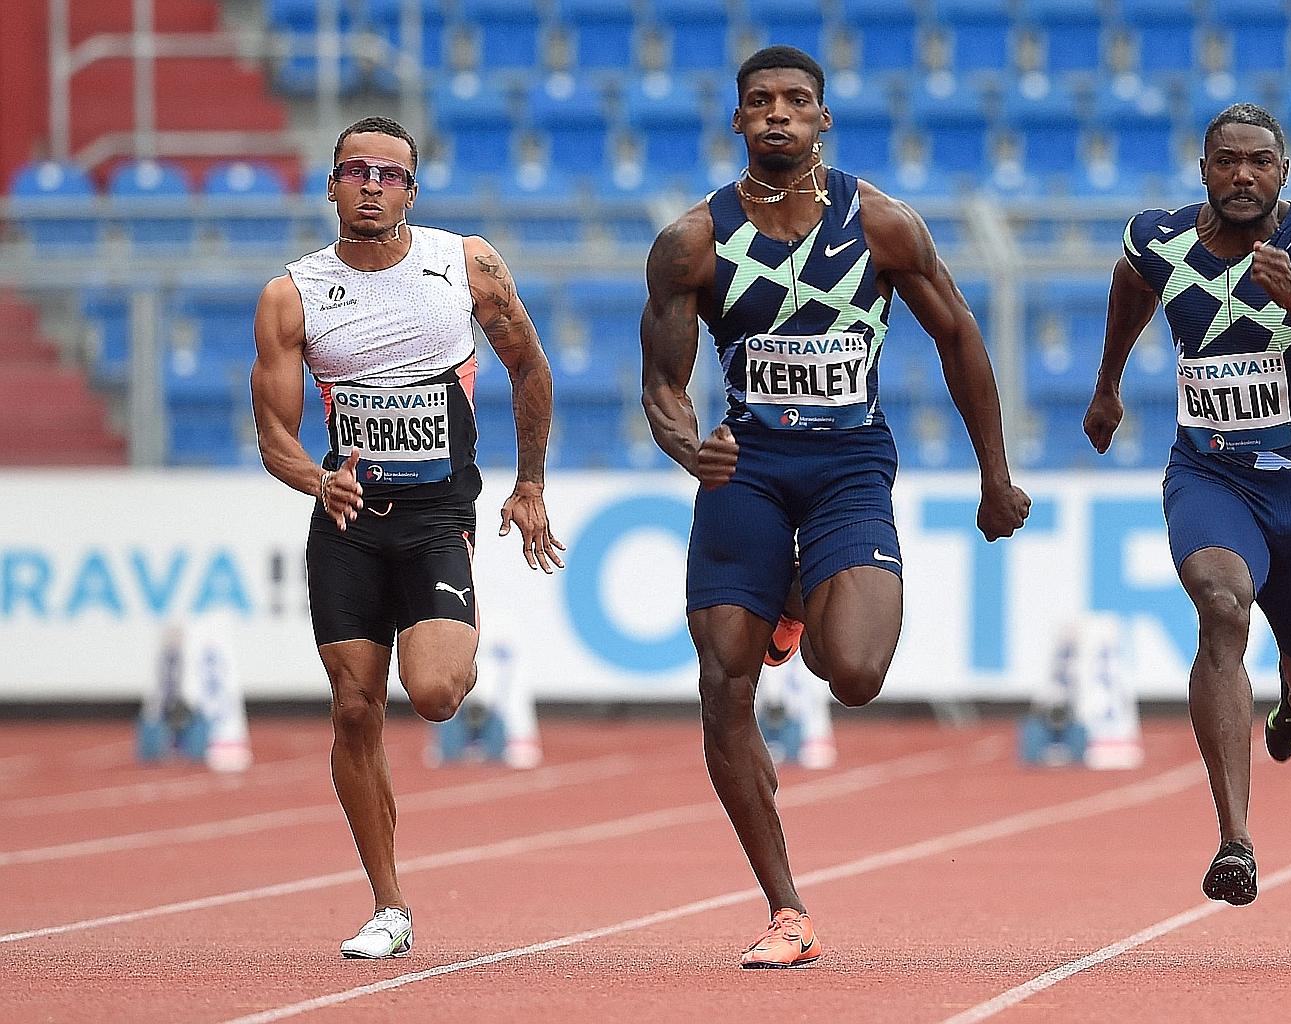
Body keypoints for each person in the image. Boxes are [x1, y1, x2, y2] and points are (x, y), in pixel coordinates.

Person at [640, 47, 1031, 967]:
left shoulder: (883, 225)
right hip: (748, 469)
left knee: (852, 674)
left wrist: (994, 474)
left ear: (824, 120)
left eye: (797, 102)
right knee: (722, 680)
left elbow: (961, 339)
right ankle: (786, 907)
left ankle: (795, 602)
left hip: (850, 462)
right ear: (737, 121)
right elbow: (662, 386)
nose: (779, 115)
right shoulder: (691, 243)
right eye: (761, 103)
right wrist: (689, 445)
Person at [250, 116, 563, 958]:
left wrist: (529, 484)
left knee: (431, 695)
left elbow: (530, 366)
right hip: (347, 522)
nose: (372, 186)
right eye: (356, 171)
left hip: (436, 521)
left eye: (390, 174)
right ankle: (390, 904)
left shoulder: (464, 265)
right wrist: (319, 479)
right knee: (354, 708)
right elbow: (275, 435)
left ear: (412, 192)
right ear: (331, 186)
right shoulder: (292, 294)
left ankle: (450, 635)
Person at [1083, 104, 1291, 906]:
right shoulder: (1158, 237)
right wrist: (1108, 385)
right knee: (1221, 604)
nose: (1241, 175)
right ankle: (1236, 840)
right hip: (1208, 475)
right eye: (1226, 161)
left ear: (1284, 173)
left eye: (1259, 162)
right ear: (1203, 167)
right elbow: (1130, 284)